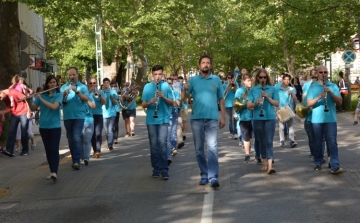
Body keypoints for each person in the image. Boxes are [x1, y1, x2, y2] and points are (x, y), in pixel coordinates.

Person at [186, 55, 226, 188]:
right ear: (199, 65)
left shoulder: (216, 79)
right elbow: (183, 98)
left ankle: (213, 176)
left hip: (212, 118)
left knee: (213, 148)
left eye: (208, 63)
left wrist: (223, 117)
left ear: (210, 65)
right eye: (203, 63)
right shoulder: (192, 80)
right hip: (196, 118)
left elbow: (221, 99)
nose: (205, 65)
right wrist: (184, 88)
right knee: (198, 149)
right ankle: (204, 174)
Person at [306, 65, 343, 174]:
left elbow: (340, 102)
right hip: (317, 119)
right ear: (317, 74)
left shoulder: (333, 86)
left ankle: (335, 165)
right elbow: (309, 103)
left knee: (332, 141)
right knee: (318, 142)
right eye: (321, 72)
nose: (323, 74)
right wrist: (319, 97)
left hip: (330, 118)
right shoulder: (312, 87)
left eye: (325, 72)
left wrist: (330, 93)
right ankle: (318, 162)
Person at [141, 65, 174, 180]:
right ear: (152, 75)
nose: (157, 77)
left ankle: (164, 169)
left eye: (160, 74)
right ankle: (156, 168)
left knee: (163, 143)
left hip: (164, 119)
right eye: (155, 74)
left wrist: (163, 97)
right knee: (154, 145)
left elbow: (172, 103)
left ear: (163, 74)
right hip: (151, 119)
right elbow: (143, 104)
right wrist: (150, 102)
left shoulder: (166, 86)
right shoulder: (147, 87)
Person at [27, 75, 62, 180]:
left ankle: (55, 172)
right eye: (51, 82)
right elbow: (33, 107)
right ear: (47, 84)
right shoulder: (43, 95)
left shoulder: (58, 95)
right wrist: (28, 100)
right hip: (44, 126)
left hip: (55, 126)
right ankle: (52, 171)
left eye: (54, 82)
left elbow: (54, 107)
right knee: (48, 150)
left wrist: (41, 98)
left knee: (54, 149)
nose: (53, 84)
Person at [247, 69, 279, 174]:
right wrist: (256, 103)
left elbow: (277, 103)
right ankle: (264, 162)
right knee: (262, 141)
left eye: (264, 77)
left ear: (267, 78)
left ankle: (270, 166)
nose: (263, 79)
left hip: (270, 118)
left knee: (269, 141)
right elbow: (248, 105)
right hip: (258, 118)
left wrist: (268, 98)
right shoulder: (253, 89)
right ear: (257, 78)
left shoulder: (272, 88)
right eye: (260, 77)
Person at [60, 67, 89, 170]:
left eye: (74, 75)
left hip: (79, 116)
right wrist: (62, 95)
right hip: (67, 117)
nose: (72, 77)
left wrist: (76, 91)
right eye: (70, 75)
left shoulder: (83, 87)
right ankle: (74, 159)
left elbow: (86, 99)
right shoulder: (63, 87)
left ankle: (76, 161)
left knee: (76, 137)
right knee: (71, 139)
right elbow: (59, 103)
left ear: (77, 75)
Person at [0, 86, 30, 157]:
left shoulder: (13, 92)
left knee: (23, 132)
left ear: (2, 92)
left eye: (0, 97)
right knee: (12, 131)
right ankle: (9, 150)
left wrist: (29, 111)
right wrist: (3, 112)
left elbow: (25, 99)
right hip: (15, 113)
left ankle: (25, 150)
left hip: (23, 112)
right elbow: (9, 108)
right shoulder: (4, 98)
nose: (0, 99)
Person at [234, 73, 257, 163]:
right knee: (246, 137)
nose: (250, 82)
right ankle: (247, 154)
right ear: (243, 81)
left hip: (255, 117)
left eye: (251, 80)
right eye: (248, 80)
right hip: (244, 117)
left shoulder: (254, 90)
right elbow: (236, 103)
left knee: (255, 137)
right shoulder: (239, 91)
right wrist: (236, 113)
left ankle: (256, 153)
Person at [278, 74, 298, 148]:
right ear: (282, 80)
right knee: (281, 127)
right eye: (285, 79)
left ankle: (292, 140)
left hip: (289, 108)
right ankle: (282, 140)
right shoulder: (278, 89)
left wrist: (292, 93)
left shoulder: (292, 89)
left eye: (288, 79)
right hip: (281, 109)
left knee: (290, 126)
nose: (287, 81)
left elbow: (295, 100)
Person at [302, 69, 318, 158]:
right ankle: (314, 153)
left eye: (316, 76)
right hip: (309, 117)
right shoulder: (307, 85)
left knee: (319, 138)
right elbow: (304, 98)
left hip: (319, 118)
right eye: (312, 77)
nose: (314, 78)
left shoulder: (321, 85)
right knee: (311, 138)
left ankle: (318, 155)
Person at [166, 76, 181, 166]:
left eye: (171, 83)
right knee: (167, 135)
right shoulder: (164, 93)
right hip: (165, 114)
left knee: (173, 132)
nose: (169, 85)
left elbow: (178, 103)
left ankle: (173, 148)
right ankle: (168, 153)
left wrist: (175, 100)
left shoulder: (175, 92)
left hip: (174, 112)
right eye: (167, 83)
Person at [89, 77, 106, 158]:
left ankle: (98, 151)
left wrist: (99, 95)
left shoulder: (101, 92)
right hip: (89, 116)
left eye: (94, 83)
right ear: (88, 84)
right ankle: (95, 150)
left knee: (98, 133)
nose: (92, 85)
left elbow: (104, 102)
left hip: (98, 114)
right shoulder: (86, 92)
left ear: (96, 83)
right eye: (91, 83)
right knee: (92, 134)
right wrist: (89, 92)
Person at [101, 78, 118, 151]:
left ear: (109, 84)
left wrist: (112, 99)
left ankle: (110, 144)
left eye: (107, 83)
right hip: (104, 113)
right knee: (106, 131)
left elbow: (116, 103)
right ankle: (109, 142)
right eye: (105, 83)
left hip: (112, 113)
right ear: (103, 84)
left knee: (110, 129)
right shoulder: (100, 92)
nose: (106, 84)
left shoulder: (113, 92)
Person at [81, 81, 96, 165]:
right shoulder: (76, 96)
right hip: (79, 121)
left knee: (87, 140)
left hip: (89, 121)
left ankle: (86, 158)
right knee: (80, 141)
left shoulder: (90, 96)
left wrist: (86, 100)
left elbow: (93, 106)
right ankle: (81, 157)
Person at [223, 72, 237, 139]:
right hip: (227, 104)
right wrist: (226, 89)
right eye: (229, 78)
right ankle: (231, 133)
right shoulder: (224, 85)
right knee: (230, 120)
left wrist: (234, 88)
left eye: (231, 78)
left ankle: (236, 133)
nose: (230, 79)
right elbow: (222, 95)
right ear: (227, 78)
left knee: (235, 118)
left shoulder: (235, 84)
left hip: (234, 103)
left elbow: (238, 93)